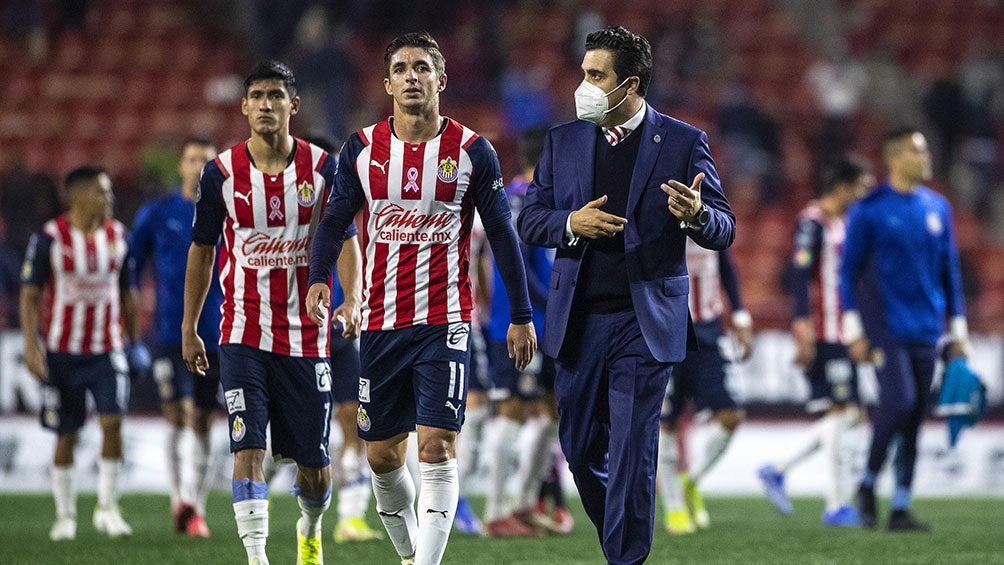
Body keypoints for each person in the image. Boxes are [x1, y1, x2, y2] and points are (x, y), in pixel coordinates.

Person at [305, 32, 537, 565]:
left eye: (423, 68)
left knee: (436, 447)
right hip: (381, 322)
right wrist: (322, 277)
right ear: (387, 83)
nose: (413, 76)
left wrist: (520, 315)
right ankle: (413, 554)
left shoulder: (473, 151)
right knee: (383, 457)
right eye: (402, 69)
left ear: (442, 80)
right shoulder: (361, 150)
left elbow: (502, 235)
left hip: (446, 320)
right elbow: (335, 220)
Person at [517, 26, 735, 564]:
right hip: (578, 320)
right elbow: (530, 221)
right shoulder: (562, 140)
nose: (583, 85)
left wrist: (698, 216)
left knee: (635, 449)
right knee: (580, 447)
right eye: (584, 72)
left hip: (645, 320)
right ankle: (620, 535)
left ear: (630, 84)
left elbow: (725, 227)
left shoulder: (684, 142)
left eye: (596, 75)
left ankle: (625, 559)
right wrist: (572, 222)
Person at [182, 60, 361, 565]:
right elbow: (202, 249)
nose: (265, 104)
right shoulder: (220, 173)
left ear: (293, 105)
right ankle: (257, 558)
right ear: (243, 107)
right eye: (257, 95)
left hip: (307, 337)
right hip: (241, 334)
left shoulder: (324, 168)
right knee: (248, 447)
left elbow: (348, 238)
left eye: (275, 96)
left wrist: (353, 299)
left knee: (314, 467)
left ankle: (310, 528)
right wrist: (189, 326)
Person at [840, 128, 969, 532]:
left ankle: (900, 505)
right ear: (894, 158)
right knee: (899, 402)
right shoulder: (870, 209)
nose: (926, 156)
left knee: (914, 415)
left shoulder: (938, 207)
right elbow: (847, 273)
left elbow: (950, 271)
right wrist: (854, 329)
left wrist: (959, 328)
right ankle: (865, 484)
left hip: (928, 327)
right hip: (885, 326)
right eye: (918, 150)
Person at [20, 165, 149, 541]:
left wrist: (135, 340)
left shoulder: (119, 236)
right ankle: (64, 515)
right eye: (100, 192)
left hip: (107, 351)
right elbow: (30, 295)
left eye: (108, 193)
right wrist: (32, 344)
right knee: (68, 434)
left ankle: (107, 507)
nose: (108, 199)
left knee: (113, 424)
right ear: (76, 196)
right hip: (63, 353)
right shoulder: (49, 238)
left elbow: (127, 292)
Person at [757, 157, 873, 527]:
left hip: (846, 331)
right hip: (824, 332)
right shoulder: (813, 222)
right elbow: (799, 275)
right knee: (841, 412)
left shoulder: (846, 223)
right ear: (841, 185)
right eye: (860, 185)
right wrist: (802, 327)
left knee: (852, 415)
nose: (864, 192)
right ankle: (836, 504)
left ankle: (777, 469)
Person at [127, 137, 221, 537]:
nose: (198, 165)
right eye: (192, 158)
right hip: (168, 331)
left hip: (217, 332)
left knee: (201, 418)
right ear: (181, 166)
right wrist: (132, 331)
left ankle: (194, 503)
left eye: (206, 160)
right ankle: (179, 501)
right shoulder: (157, 212)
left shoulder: (229, 212)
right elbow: (130, 269)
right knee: (176, 414)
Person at [482, 127, 566, 538]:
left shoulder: (546, 197)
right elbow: (515, 263)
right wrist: (551, 303)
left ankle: (524, 502)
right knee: (513, 411)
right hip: (519, 325)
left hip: (549, 325)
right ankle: (498, 511)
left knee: (552, 413)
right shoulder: (518, 198)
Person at [300, 135, 383, 545]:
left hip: (342, 328)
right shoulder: (289, 211)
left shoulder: (356, 209)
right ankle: (305, 509)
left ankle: (350, 517)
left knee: (355, 422)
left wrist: (356, 302)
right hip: (293, 333)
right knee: (304, 431)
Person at [657, 243, 752, 535]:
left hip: (709, 333)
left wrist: (740, 317)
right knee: (665, 423)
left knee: (731, 414)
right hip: (665, 332)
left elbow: (726, 264)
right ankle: (673, 507)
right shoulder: (655, 212)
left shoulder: (709, 210)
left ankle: (691, 481)